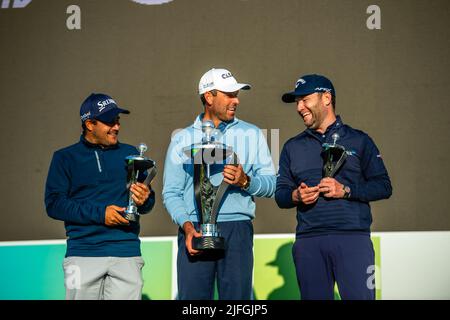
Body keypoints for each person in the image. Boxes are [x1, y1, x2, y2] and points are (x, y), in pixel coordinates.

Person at [275, 74, 392, 300]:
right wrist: (296, 195)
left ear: (326, 98)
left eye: (304, 100)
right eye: (297, 102)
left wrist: (346, 190)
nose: (299, 107)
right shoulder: (292, 146)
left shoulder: (359, 140)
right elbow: (281, 195)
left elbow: (384, 186)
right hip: (308, 241)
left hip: (353, 239)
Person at [162, 68, 276, 300]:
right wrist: (186, 226)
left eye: (237, 94)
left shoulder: (252, 134)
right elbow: (171, 193)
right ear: (209, 97)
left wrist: (246, 182)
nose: (236, 101)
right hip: (194, 227)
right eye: (229, 94)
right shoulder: (182, 139)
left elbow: (273, 184)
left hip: (238, 229)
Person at [45, 93, 155, 300]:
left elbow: (147, 203)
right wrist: (100, 214)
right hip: (82, 254)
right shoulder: (64, 157)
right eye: (109, 121)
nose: (116, 127)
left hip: (126, 253)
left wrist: (145, 199)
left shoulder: (131, 153)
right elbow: (54, 204)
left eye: (117, 120)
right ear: (89, 124)